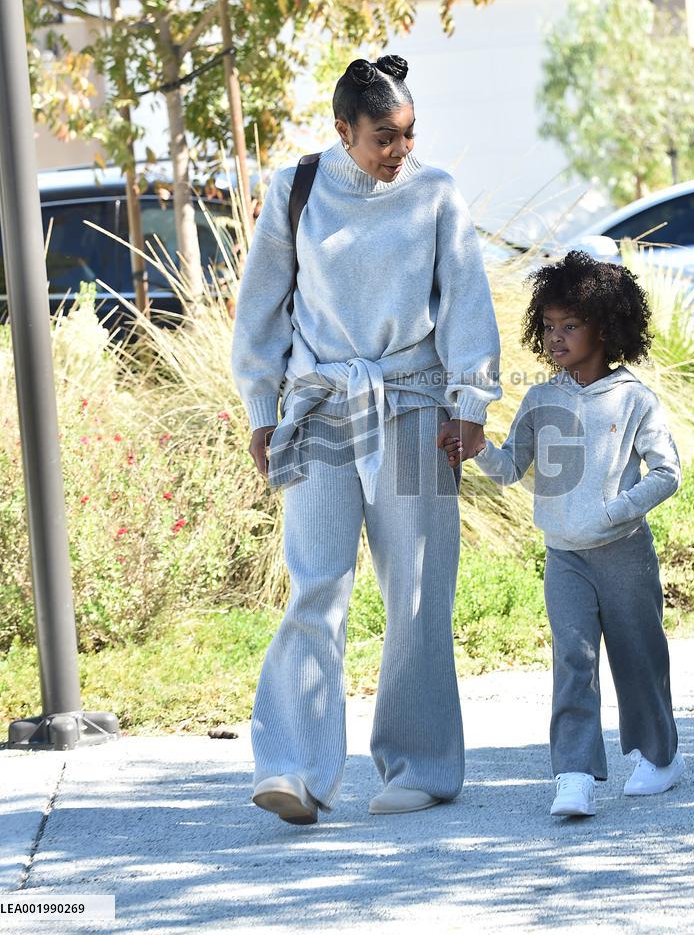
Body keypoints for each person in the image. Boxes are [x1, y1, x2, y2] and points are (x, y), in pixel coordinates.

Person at [231, 55, 500, 825]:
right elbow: (262, 309)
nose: (400, 151)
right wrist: (261, 407)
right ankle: (294, 769)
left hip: (415, 406)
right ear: (343, 131)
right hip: (319, 410)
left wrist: (470, 400)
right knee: (315, 582)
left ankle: (419, 765)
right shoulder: (298, 189)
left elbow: (467, 302)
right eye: (385, 136)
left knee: (416, 591)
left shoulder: (435, 195)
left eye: (409, 134)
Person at [439, 251, 683, 817]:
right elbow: (508, 470)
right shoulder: (540, 399)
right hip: (564, 557)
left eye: (570, 326)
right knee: (572, 660)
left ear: (606, 326)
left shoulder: (634, 398)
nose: (556, 338)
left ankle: (660, 757)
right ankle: (573, 773)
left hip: (623, 553)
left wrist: (616, 510)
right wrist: (476, 447)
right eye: (549, 327)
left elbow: (667, 474)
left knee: (638, 656)